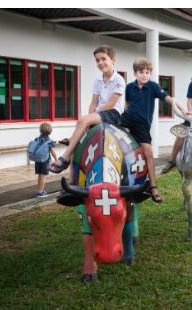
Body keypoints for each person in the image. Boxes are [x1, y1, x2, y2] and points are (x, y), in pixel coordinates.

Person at [50, 45, 125, 175]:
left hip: (113, 114)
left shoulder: (118, 79)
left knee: (83, 120)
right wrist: (90, 117)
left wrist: (90, 118)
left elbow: (112, 103)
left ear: (113, 59)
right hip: (99, 113)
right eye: (97, 60)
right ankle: (71, 180)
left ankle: (64, 158)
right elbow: (93, 102)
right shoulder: (97, 80)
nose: (100, 63)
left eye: (103, 59)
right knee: (78, 142)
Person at [120, 57, 177, 202]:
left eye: (147, 72)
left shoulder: (153, 86)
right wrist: (124, 124)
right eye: (141, 72)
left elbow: (168, 98)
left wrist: (179, 107)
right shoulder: (129, 87)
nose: (144, 75)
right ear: (135, 73)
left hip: (142, 126)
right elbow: (127, 104)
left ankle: (153, 187)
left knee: (148, 153)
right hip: (126, 120)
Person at [29, 122, 58, 197]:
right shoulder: (49, 141)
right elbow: (52, 151)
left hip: (37, 160)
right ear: (50, 131)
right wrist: (56, 159)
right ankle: (40, 192)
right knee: (43, 176)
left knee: (39, 175)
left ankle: (40, 189)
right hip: (45, 161)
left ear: (40, 130)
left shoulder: (37, 139)